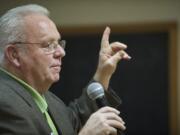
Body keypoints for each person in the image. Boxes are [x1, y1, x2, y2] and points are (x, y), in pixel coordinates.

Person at [0, 4, 131, 135]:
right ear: (14, 55)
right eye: (48, 45)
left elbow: (77, 122)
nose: (61, 52)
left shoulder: (49, 99)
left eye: (58, 43)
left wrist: (103, 73)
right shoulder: (4, 103)